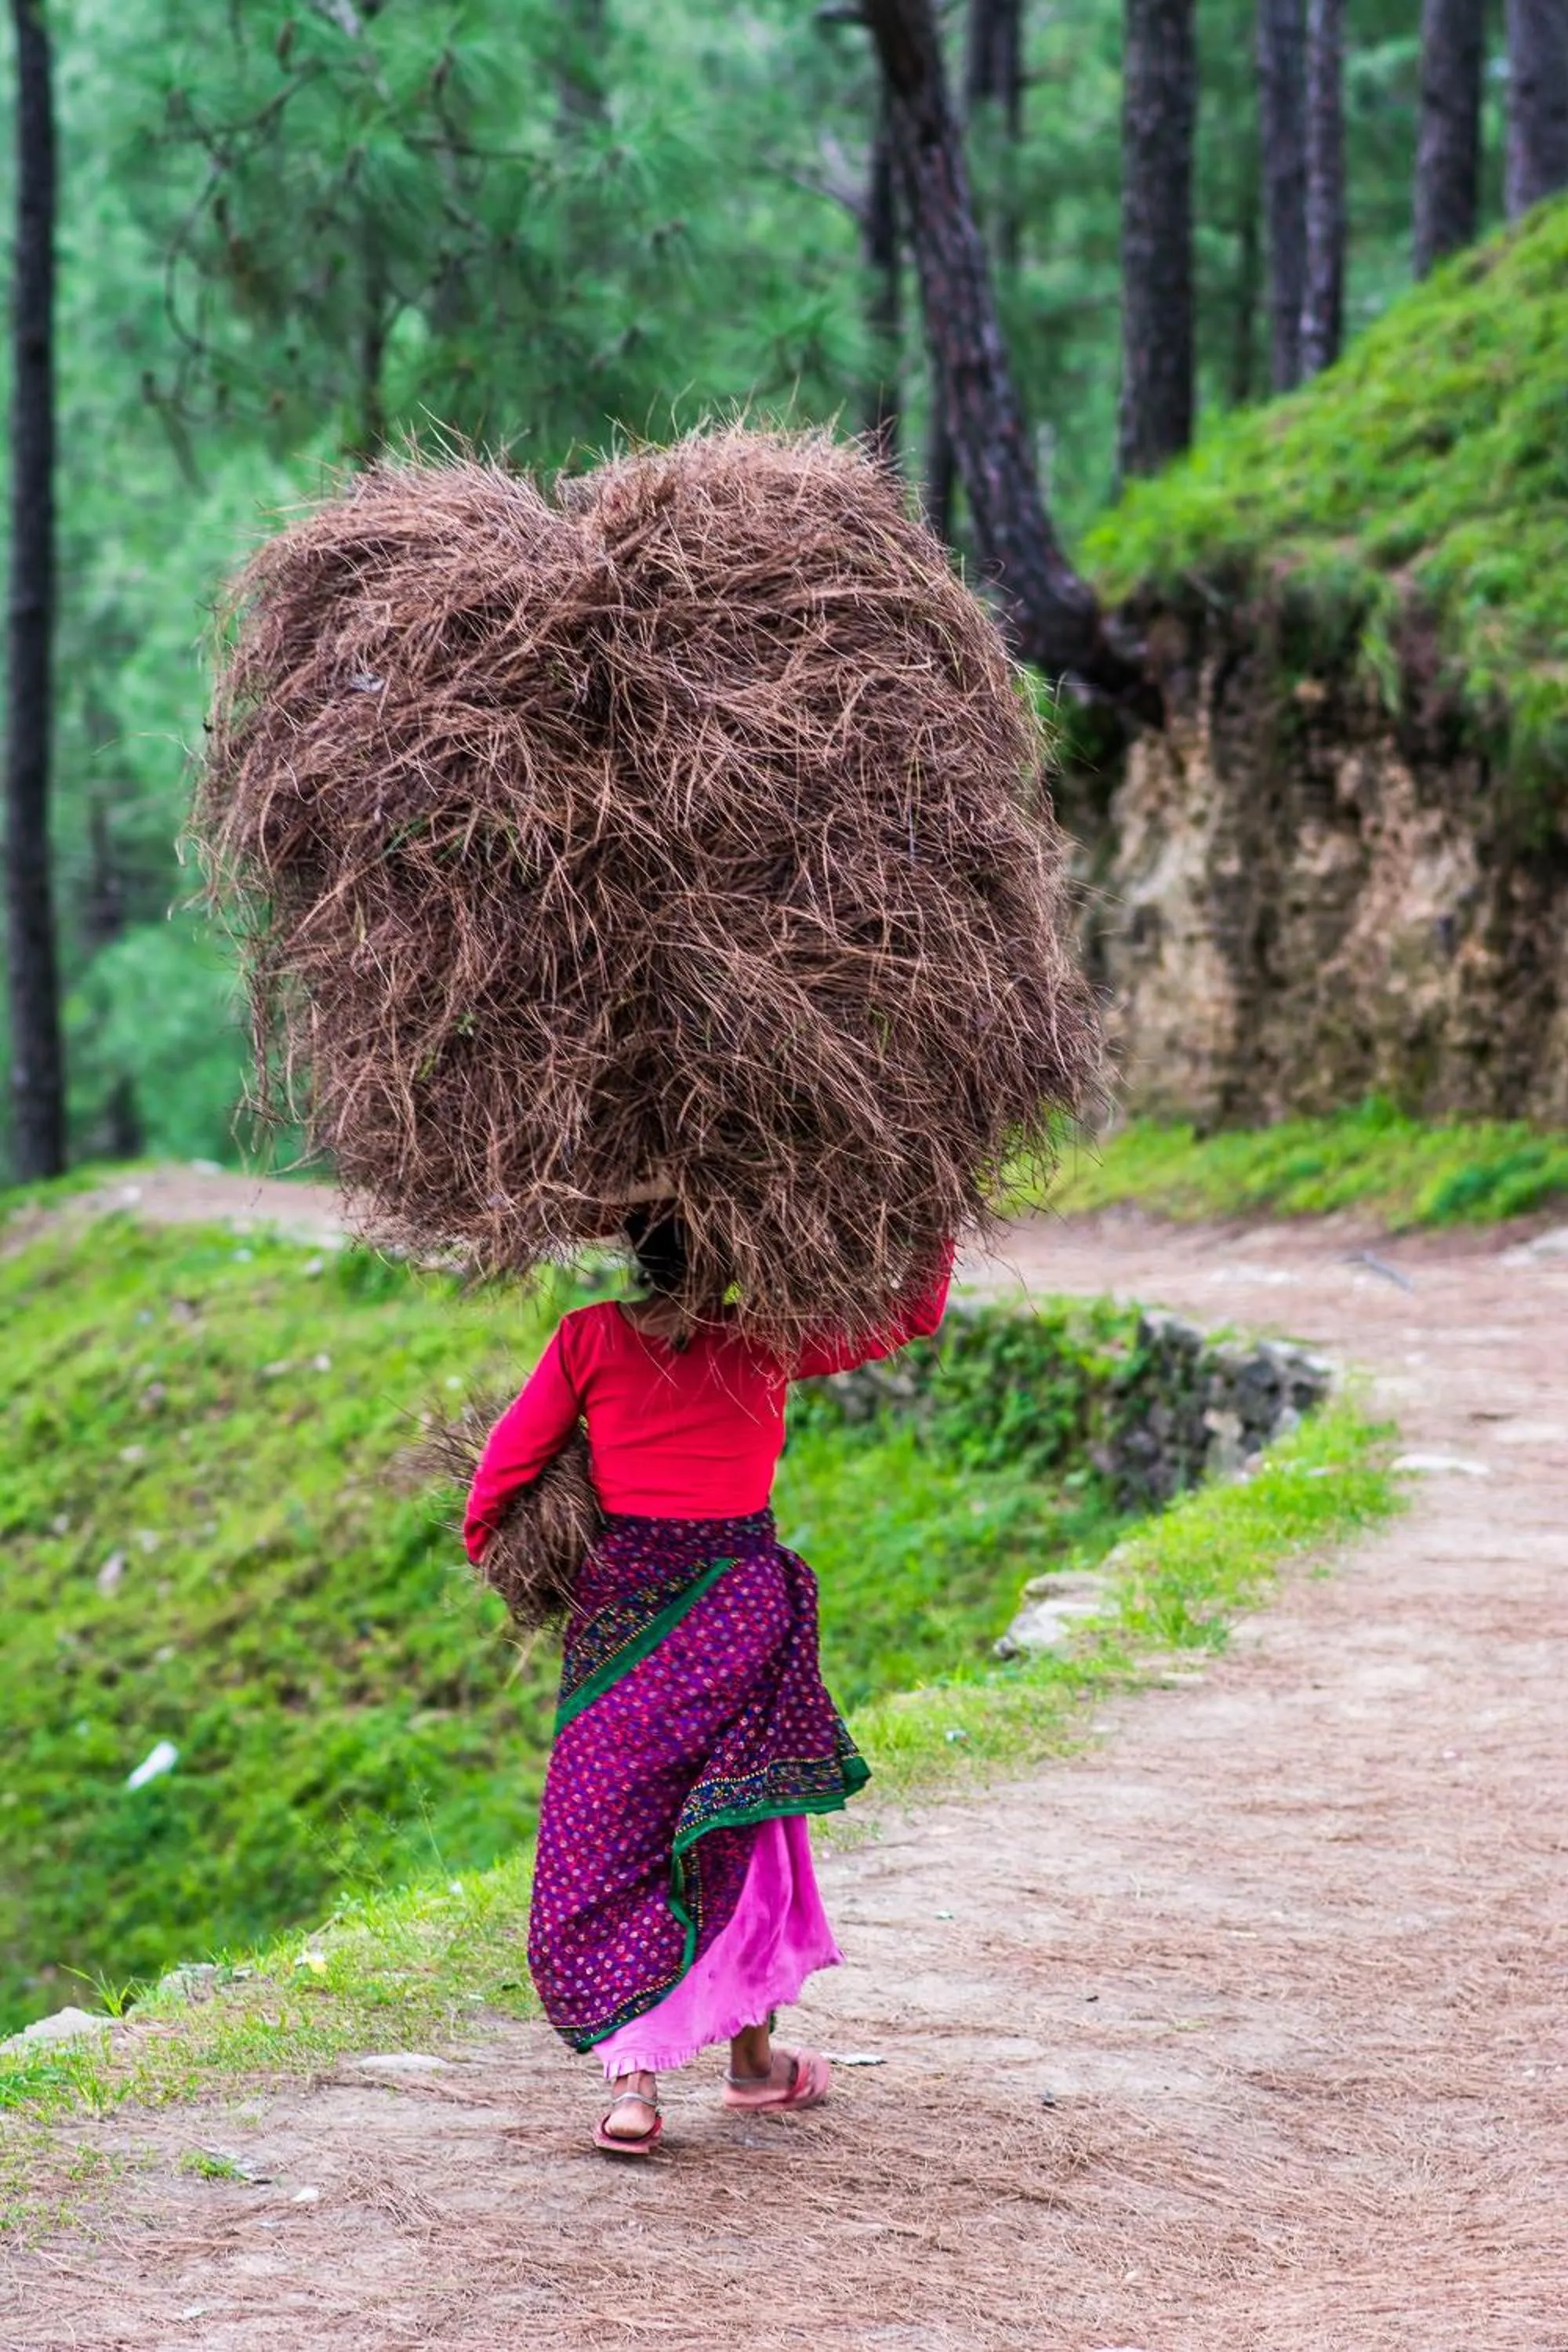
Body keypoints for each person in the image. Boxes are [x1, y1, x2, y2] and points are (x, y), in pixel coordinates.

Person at [463, 1209, 954, 2157]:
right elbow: (907, 1316)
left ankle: (635, 2087)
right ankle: (753, 2064)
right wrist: (938, 1216)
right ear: (735, 1250)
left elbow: (513, 1455)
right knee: (740, 1827)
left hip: (624, 1620)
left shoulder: (589, 1338)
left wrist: (491, 1542)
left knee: (612, 1834)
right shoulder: (766, 1340)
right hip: (738, 1610)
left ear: (634, 1256)